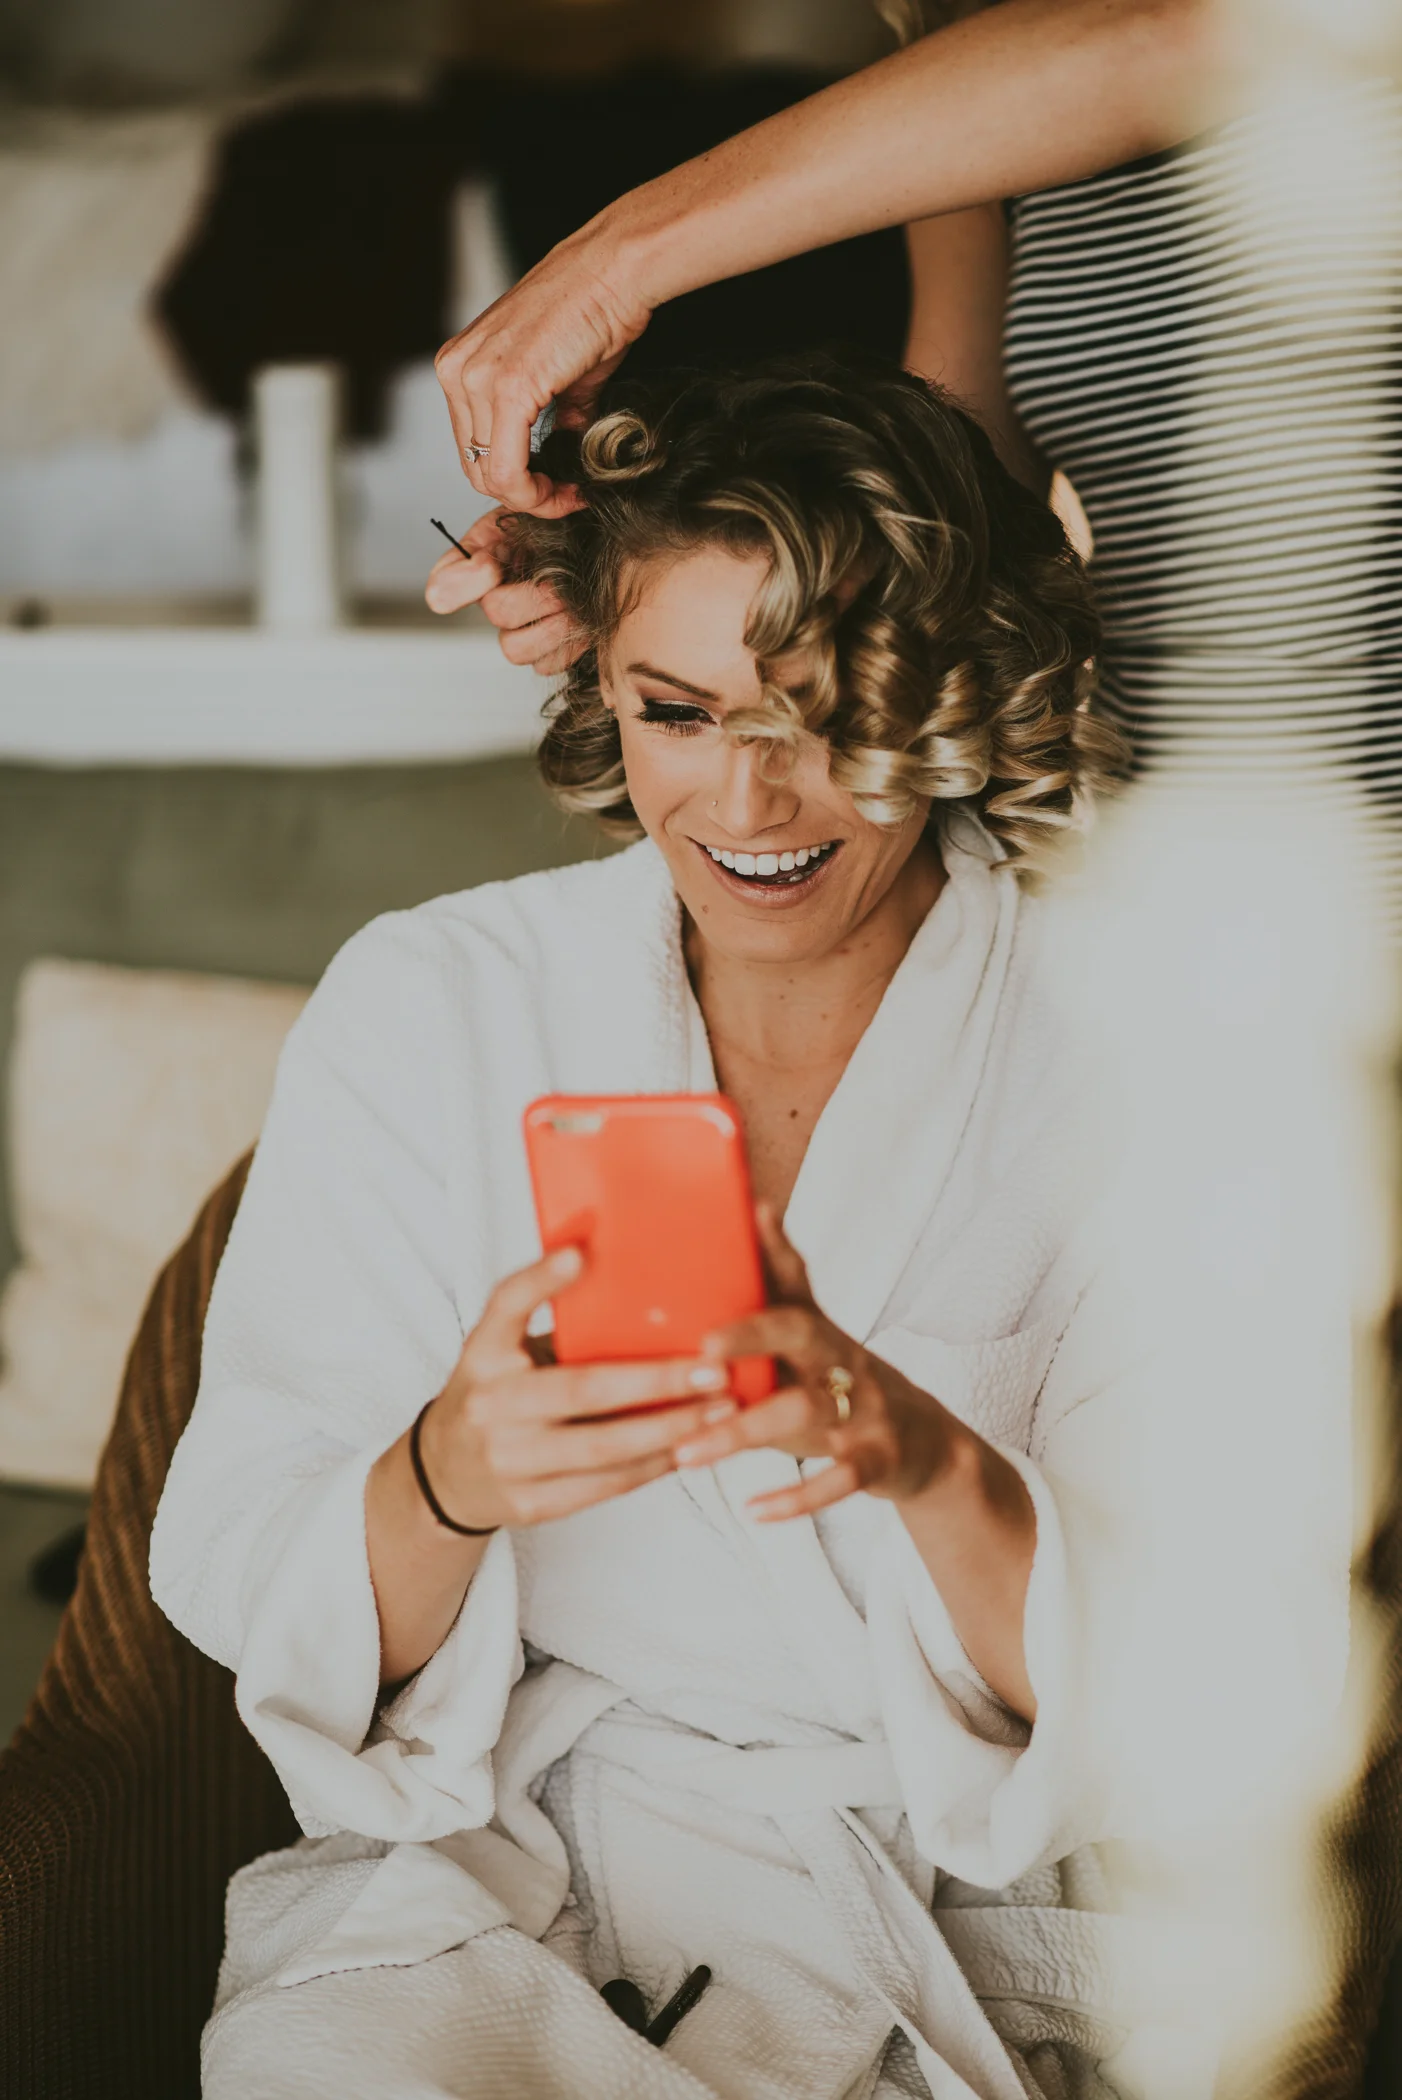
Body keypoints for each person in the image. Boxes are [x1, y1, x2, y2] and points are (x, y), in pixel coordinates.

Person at [150, 357, 1347, 2099]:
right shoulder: (438, 1001)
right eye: (680, 712)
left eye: (829, 715)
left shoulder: (1150, 1051)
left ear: (959, 689)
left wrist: (921, 1461)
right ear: (605, 700)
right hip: (506, 1897)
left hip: (945, 1915)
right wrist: (447, 1473)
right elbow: (239, 1560)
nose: (748, 803)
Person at [426, 0, 1402, 916]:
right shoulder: (959, 63)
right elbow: (960, 516)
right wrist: (651, 580)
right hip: (1203, 886)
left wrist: (611, 266)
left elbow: (1193, 35)